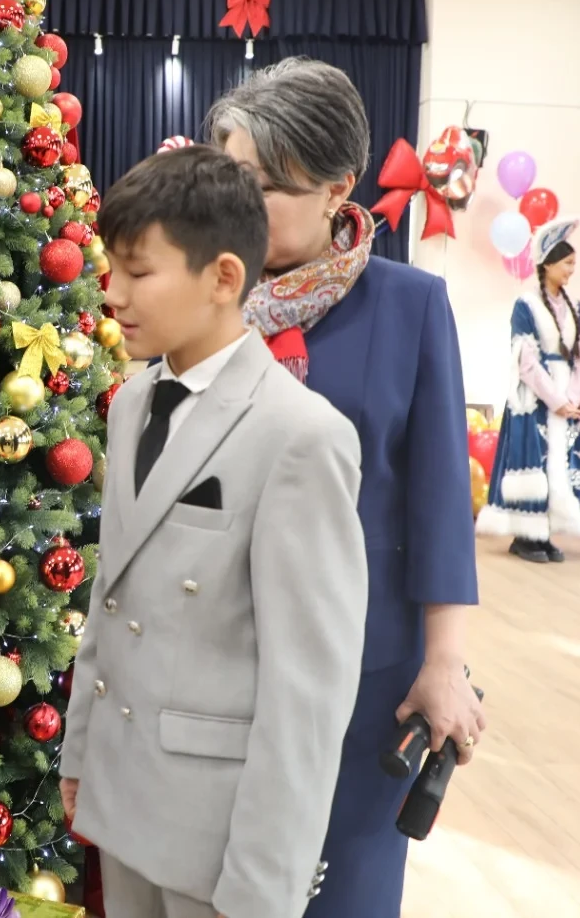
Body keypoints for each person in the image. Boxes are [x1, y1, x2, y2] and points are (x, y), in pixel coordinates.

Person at [59, 145, 368, 918]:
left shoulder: (300, 435)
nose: (112, 293)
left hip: (219, 835)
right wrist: (80, 752)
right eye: (110, 268)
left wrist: (264, 884)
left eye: (138, 271)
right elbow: (111, 593)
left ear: (225, 277)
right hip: (122, 799)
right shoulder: (133, 401)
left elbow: (308, 691)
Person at [207, 58, 483, 918]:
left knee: (340, 886)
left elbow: (439, 503)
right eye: (231, 180)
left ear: (337, 188)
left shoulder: (410, 305)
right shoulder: (202, 300)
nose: (239, 206)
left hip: (359, 666)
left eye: (265, 187)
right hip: (212, 653)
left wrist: (445, 663)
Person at [477, 218, 580, 561]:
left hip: (565, 397)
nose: (572, 270)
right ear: (548, 264)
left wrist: (572, 398)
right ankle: (526, 534)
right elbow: (525, 359)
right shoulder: (525, 305)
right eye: (567, 263)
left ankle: (546, 533)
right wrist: (555, 400)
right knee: (533, 461)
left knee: (559, 465)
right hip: (535, 397)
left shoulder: (575, 307)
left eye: (573, 263)